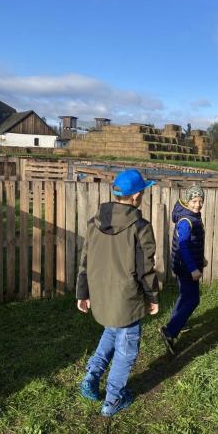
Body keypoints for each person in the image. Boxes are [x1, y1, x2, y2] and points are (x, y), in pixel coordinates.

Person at [76, 169, 159, 417]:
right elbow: (146, 267)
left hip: (101, 294)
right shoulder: (141, 227)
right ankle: (113, 399)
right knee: (126, 349)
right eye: (142, 192)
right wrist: (152, 297)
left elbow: (85, 259)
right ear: (135, 197)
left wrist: (83, 292)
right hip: (127, 299)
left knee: (111, 331)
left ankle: (90, 379)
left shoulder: (94, 222)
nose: (142, 196)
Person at [159, 185, 205, 355]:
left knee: (185, 296)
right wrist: (193, 268)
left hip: (183, 264)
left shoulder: (192, 216)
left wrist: (201, 260)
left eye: (200, 201)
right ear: (187, 200)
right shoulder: (186, 221)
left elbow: (193, 243)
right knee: (193, 300)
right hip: (186, 267)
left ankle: (177, 322)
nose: (197, 204)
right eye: (194, 201)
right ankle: (170, 331)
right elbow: (184, 246)